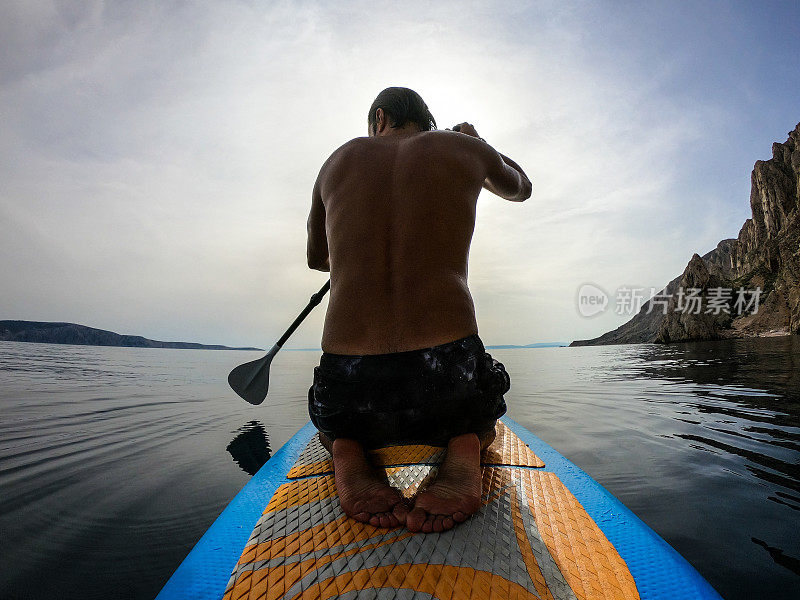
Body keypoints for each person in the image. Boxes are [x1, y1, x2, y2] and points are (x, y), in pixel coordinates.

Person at [306, 87, 531, 533]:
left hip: (352, 383)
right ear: (427, 121)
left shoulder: (335, 162)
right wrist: (483, 144)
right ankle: (466, 443)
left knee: (335, 421)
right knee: (474, 411)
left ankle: (345, 448)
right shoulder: (463, 147)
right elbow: (521, 188)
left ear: (379, 117)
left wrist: (360, 251)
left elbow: (317, 259)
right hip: (446, 375)